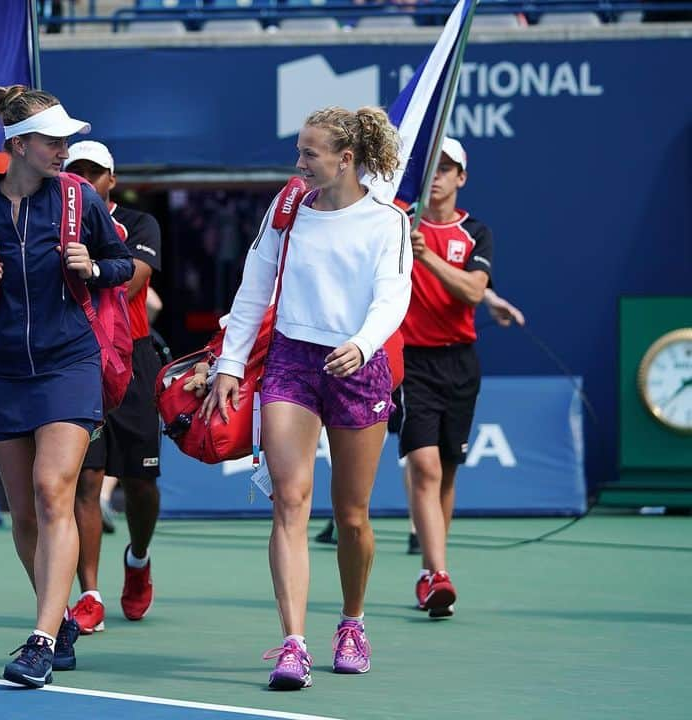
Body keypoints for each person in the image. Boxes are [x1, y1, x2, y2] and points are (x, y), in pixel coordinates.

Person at [0, 86, 134, 689]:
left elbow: (121, 266)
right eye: (53, 140)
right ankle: (60, 616)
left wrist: (91, 269)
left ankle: (40, 639)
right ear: (18, 146)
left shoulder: (79, 199)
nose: (63, 150)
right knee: (24, 513)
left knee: (51, 488)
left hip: (70, 361)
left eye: (65, 140)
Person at [203, 106, 411, 688]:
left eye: (309, 153)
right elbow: (253, 285)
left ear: (346, 159)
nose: (298, 162)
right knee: (289, 502)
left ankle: (352, 623)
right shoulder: (288, 205)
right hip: (292, 362)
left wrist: (364, 345)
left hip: (358, 367)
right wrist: (231, 362)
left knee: (352, 516)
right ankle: (294, 644)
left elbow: (392, 299)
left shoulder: (387, 222)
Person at [313, 282, 524, 551]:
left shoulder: (464, 239)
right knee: (363, 435)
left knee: (417, 448)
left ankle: (418, 531)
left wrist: (489, 298)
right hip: (373, 349)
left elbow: (468, 280)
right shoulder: (396, 242)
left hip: (415, 360)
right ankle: (344, 516)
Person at [393, 136, 495, 619]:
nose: (437, 176)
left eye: (447, 168)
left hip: (460, 363)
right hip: (411, 362)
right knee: (426, 467)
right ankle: (437, 573)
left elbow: (473, 292)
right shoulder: (398, 223)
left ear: (461, 178)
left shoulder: (474, 232)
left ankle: (432, 571)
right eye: (431, 167)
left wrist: (427, 257)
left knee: (447, 471)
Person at [64, 141, 164, 634]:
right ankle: (90, 593)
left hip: (133, 356)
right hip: (79, 359)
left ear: (110, 179)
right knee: (87, 479)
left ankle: (139, 558)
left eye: (93, 172)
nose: (85, 180)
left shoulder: (140, 225)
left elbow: (132, 281)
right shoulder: (55, 225)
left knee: (142, 483)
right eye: (75, 171)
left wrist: (88, 273)